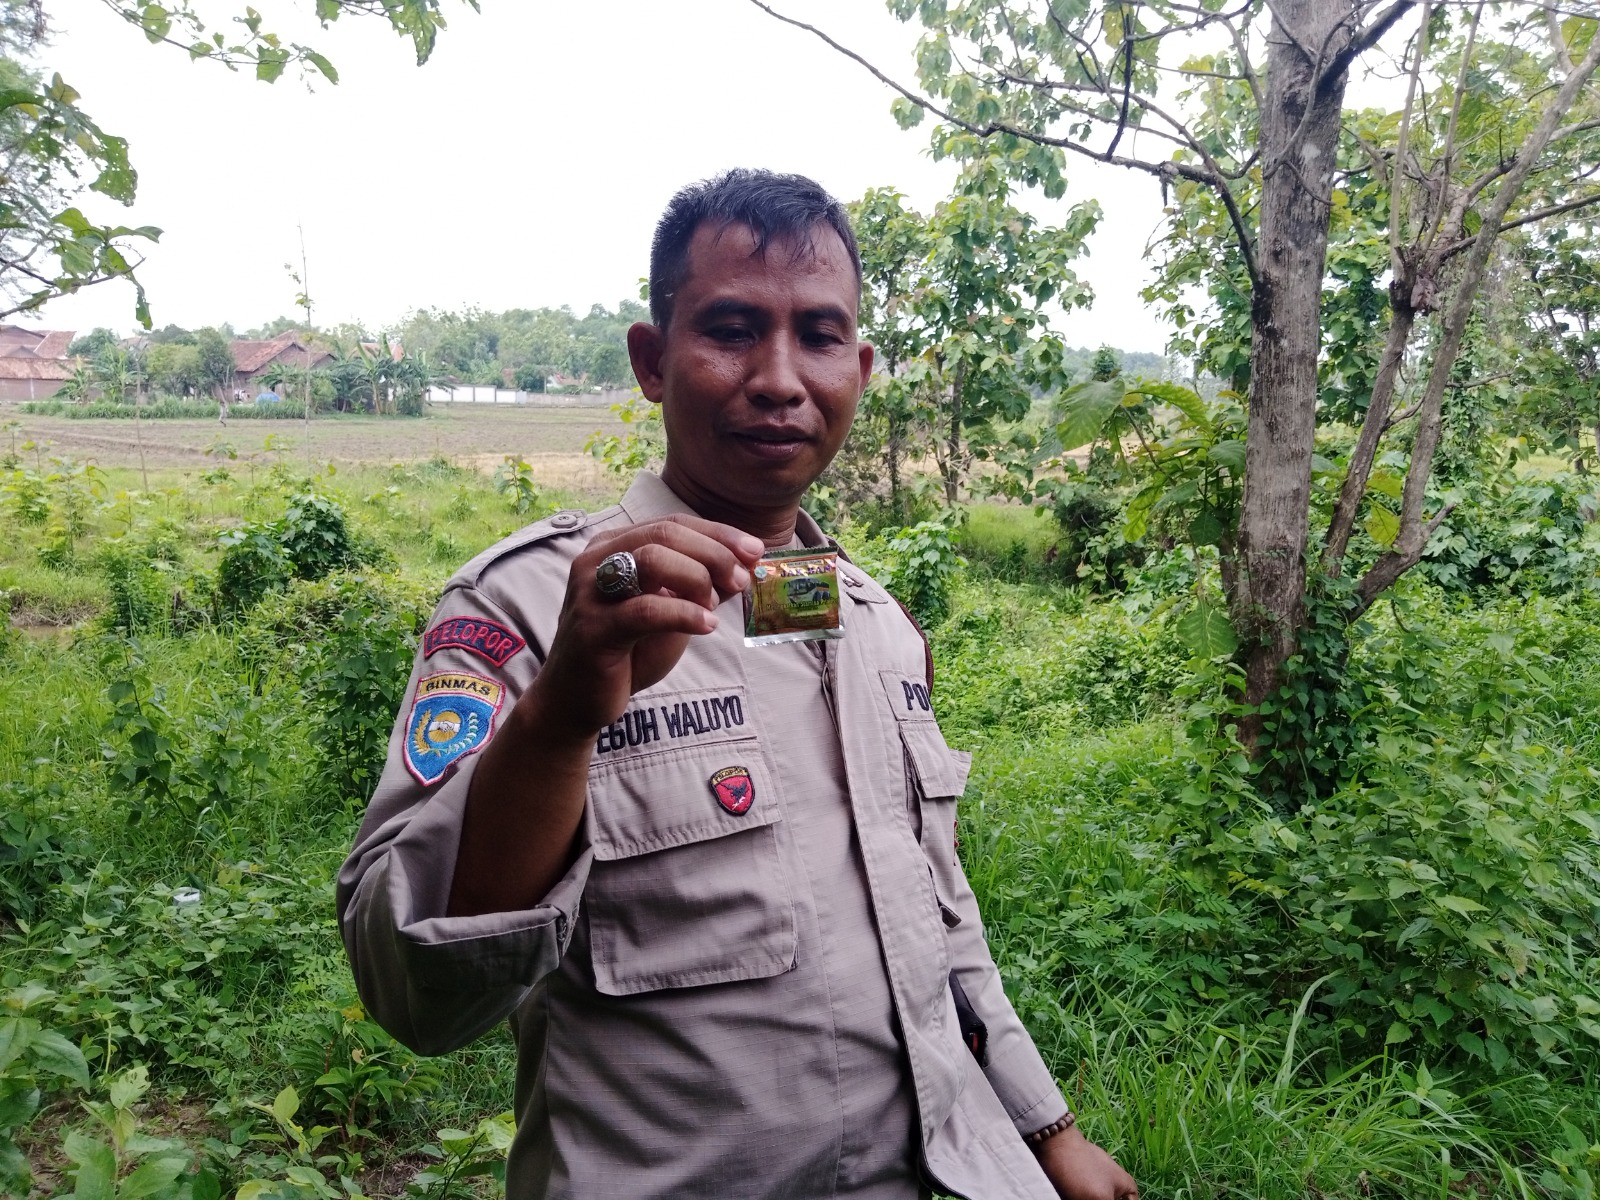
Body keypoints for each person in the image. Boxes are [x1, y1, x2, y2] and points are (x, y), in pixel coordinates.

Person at [337, 170, 1138, 1200]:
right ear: (651, 360)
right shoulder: (528, 605)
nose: (778, 379)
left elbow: (936, 916)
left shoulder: (876, 623)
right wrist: (563, 716)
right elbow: (411, 989)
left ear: (859, 368)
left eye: (819, 336)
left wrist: (1045, 1127)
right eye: (729, 330)